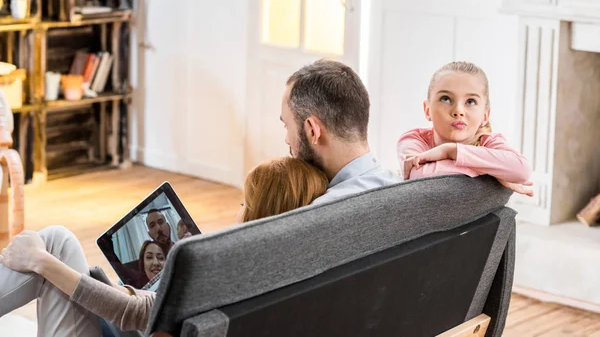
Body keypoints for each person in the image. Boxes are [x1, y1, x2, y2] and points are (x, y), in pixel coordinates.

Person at [0, 157, 328, 335]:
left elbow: (134, 314)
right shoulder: (291, 275)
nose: (238, 210)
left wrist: (41, 261)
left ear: (260, 213)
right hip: (138, 313)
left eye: (245, 203)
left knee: (53, 245)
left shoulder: (229, 273)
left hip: (128, 324)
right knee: (57, 240)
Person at [397, 61, 533, 196]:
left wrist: (450, 151)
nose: (458, 111)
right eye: (445, 99)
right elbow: (418, 176)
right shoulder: (413, 139)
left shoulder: (489, 142)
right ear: (427, 110)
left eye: (470, 101)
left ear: (485, 116)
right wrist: (491, 171)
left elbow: (522, 170)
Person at [280, 59, 401, 205]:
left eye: (287, 126)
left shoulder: (319, 213)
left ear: (313, 130)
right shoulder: (402, 187)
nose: (287, 140)